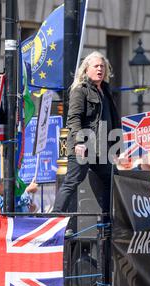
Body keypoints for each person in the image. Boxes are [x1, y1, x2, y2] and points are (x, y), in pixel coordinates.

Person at [52, 51, 120, 213]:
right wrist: (79, 142)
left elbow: (113, 120)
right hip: (85, 145)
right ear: (86, 69)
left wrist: (116, 148)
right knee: (72, 181)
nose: (100, 69)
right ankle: (54, 217)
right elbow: (73, 118)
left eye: (102, 66)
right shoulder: (80, 90)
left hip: (103, 148)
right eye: (96, 66)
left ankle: (107, 224)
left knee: (112, 180)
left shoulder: (106, 91)